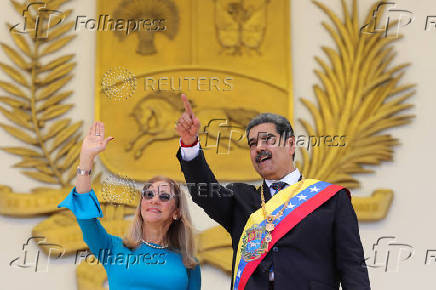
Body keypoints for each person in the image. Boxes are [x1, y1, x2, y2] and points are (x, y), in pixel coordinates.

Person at [175, 94, 370, 290]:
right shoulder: (241, 198)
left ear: (291, 145)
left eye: (268, 140)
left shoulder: (331, 199)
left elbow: (352, 265)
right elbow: (204, 192)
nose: (259, 148)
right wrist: (190, 144)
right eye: (252, 144)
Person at [58, 121, 201, 290]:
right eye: (148, 194)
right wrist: (86, 158)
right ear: (141, 206)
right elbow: (85, 215)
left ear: (176, 212)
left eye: (163, 196)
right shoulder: (112, 248)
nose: (154, 200)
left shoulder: (188, 262)